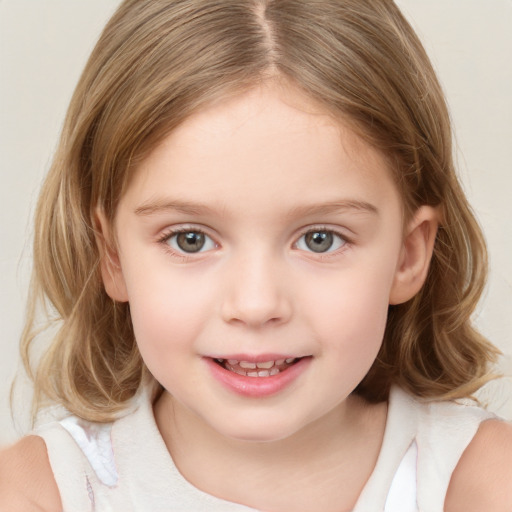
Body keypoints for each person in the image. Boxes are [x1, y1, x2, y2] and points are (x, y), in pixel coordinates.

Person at [1, 0, 511, 510]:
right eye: (190, 239)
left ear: (408, 254)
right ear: (111, 255)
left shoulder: (478, 482)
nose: (256, 303)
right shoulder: (43, 492)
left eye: (320, 239)